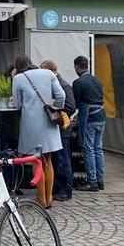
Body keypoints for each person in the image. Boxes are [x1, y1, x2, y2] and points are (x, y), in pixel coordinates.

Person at [12, 55, 65, 209]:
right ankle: (49, 198)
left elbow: (17, 104)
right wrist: (55, 109)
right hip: (49, 121)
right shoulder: (48, 73)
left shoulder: (19, 78)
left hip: (31, 124)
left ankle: (41, 198)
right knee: (48, 160)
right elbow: (61, 95)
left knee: (37, 161)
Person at [41, 60, 77, 201]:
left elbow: (71, 107)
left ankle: (65, 190)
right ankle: (59, 188)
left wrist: (55, 113)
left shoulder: (63, 85)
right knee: (57, 160)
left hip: (62, 129)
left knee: (62, 160)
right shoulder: (56, 83)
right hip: (57, 129)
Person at [73, 55, 107, 192]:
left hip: (90, 119)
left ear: (76, 67)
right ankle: (100, 180)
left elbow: (75, 103)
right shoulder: (97, 81)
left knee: (89, 150)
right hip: (101, 117)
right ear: (87, 66)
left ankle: (92, 182)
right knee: (98, 149)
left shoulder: (78, 82)